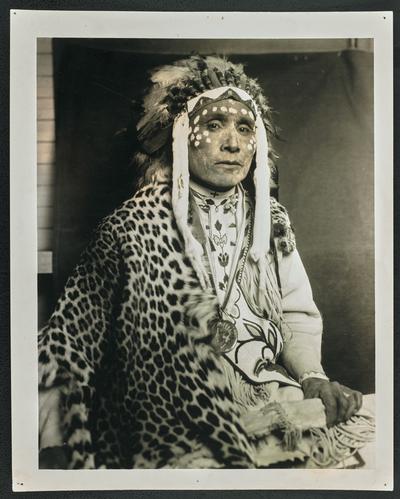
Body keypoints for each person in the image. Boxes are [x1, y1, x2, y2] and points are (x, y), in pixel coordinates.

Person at [38, 55, 364, 469]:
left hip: (265, 392)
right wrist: (52, 440)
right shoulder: (129, 228)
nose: (233, 143)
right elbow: (68, 347)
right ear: (178, 134)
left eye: (245, 128)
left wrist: (312, 376)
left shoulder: (271, 221)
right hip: (164, 411)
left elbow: (297, 314)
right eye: (213, 125)